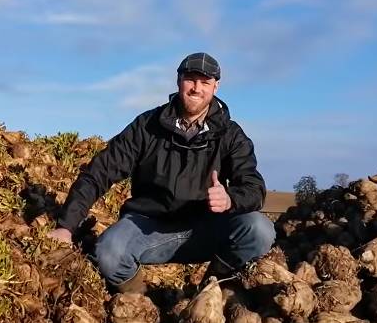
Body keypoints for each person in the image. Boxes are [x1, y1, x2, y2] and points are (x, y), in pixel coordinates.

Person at [47, 52, 275, 294]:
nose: (196, 88)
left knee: (259, 229)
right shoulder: (146, 126)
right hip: (148, 227)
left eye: (205, 82)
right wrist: (67, 226)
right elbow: (99, 172)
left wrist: (230, 198)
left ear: (215, 87)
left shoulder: (231, 135)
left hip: (207, 227)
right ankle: (142, 304)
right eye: (190, 79)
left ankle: (210, 289)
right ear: (179, 80)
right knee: (109, 252)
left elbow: (253, 187)